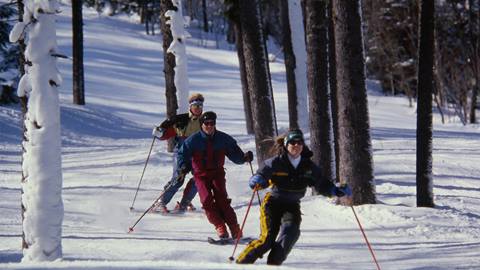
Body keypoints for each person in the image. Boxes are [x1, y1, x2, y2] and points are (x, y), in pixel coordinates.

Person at [236, 129, 351, 265]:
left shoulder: (308, 167)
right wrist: (257, 180)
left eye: (299, 142)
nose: (296, 145)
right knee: (267, 239)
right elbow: (263, 175)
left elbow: (321, 184)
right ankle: (241, 263)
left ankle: (273, 264)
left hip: (292, 206)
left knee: (290, 234)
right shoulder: (276, 162)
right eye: (292, 142)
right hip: (272, 203)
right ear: (286, 145)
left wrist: (335, 191)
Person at [177, 111, 254, 239]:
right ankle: (220, 226)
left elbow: (235, 154)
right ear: (201, 124)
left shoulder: (223, 139)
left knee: (222, 200)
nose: (209, 126)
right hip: (200, 175)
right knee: (206, 200)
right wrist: (183, 167)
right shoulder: (193, 140)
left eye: (212, 123)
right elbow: (182, 154)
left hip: (217, 173)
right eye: (206, 123)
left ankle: (235, 228)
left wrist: (244, 158)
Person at [151, 93, 205, 213]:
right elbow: (166, 134)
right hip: (182, 153)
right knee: (178, 179)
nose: (198, 108)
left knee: (200, 178)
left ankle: (184, 203)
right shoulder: (182, 120)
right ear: (190, 106)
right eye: (195, 105)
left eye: (200, 105)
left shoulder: (205, 121)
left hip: (197, 154)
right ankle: (161, 202)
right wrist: (159, 133)